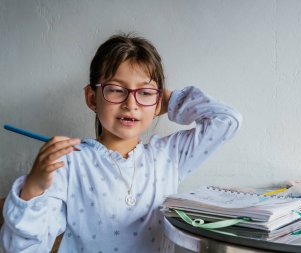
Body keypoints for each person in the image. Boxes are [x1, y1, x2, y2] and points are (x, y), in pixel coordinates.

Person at [0, 33, 242, 253]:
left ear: (158, 103)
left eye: (144, 92)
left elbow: (227, 121)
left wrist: (168, 100)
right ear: (92, 98)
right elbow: (23, 250)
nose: (131, 103)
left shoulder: (169, 155)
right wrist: (33, 188)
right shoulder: (68, 162)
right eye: (116, 90)